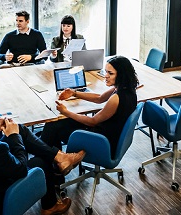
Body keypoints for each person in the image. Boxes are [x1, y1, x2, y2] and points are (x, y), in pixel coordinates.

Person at [40, 56, 138, 184]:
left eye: (110, 73)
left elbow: (93, 121)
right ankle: (58, 166)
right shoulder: (126, 89)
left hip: (100, 141)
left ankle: (51, 173)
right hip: (109, 135)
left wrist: (66, 112)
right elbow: (99, 98)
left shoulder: (116, 98)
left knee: (52, 128)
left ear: (122, 75)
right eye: (105, 71)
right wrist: (74, 93)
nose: (105, 76)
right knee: (55, 124)